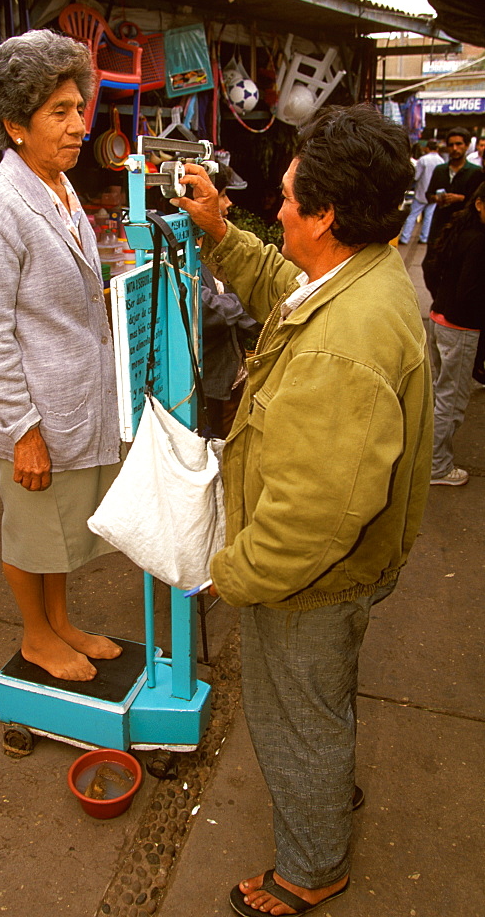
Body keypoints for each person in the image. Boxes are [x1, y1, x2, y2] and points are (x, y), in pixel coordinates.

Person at [173, 104, 433, 916]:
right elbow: (291, 288)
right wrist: (221, 232)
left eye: (285, 200)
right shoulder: (361, 276)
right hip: (347, 573)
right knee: (321, 701)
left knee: (295, 719)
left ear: (323, 214)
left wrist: (233, 573)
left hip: (310, 582)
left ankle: (311, 867)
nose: (275, 209)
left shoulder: (341, 344)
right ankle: (323, 796)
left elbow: (315, 515)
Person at [0, 29, 122, 683]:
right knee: (31, 533)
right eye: (60, 112)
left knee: (60, 530)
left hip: (74, 402)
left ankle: (59, 623)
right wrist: (22, 429)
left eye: (78, 107)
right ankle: (35, 636)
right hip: (32, 416)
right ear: (14, 125)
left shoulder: (58, 184)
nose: (79, 124)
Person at [424, 181, 485, 486]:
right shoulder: (479, 240)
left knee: (440, 395)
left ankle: (429, 458)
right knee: (451, 400)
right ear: (479, 204)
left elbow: (432, 269)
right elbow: (469, 293)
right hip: (458, 327)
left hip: (440, 319)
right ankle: (438, 467)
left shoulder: (461, 232)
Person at [201, 163, 262, 438]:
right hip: (211, 384)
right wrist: (243, 305)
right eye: (222, 194)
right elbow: (204, 309)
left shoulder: (217, 243)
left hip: (233, 377)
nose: (228, 202)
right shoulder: (182, 251)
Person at [422, 127, 481, 291]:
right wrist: (435, 198)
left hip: (462, 227)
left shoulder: (474, 172)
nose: (455, 149)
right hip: (439, 224)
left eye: (459, 144)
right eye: (451, 145)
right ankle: (438, 301)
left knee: (455, 269)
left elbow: (477, 201)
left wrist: (460, 198)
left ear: (467, 145)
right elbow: (429, 194)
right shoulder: (440, 169)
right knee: (429, 267)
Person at [398, 138, 444, 245]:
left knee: (412, 215)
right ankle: (424, 238)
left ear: (427, 148)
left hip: (422, 192)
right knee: (428, 216)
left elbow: (416, 176)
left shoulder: (423, 160)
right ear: (437, 148)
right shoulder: (441, 160)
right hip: (434, 194)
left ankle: (405, 238)